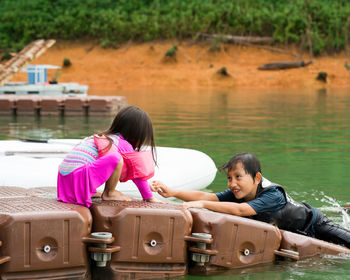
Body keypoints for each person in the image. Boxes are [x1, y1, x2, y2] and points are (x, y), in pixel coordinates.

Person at [151, 153, 350, 248]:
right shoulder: (240, 192)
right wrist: (172, 192)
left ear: (256, 178)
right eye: (229, 178)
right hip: (299, 235)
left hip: (315, 223)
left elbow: (241, 211)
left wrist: (203, 205)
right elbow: (207, 196)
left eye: (238, 177)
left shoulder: (272, 194)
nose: (232, 183)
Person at [57, 105, 160, 207]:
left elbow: (134, 173)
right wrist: (149, 197)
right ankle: (109, 193)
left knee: (110, 159)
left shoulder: (105, 138)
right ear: (137, 133)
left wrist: (147, 184)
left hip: (65, 181)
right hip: (77, 180)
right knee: (116, 158)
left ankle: (89, 191)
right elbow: (137, 172)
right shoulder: (123, 144)